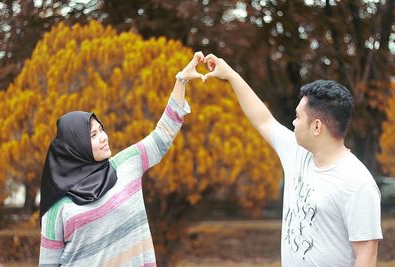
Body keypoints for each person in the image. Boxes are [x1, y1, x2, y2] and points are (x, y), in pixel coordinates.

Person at [202, 54, 383, 266]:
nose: (293, 122)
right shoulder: (297, 153)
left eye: (298, 117)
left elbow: (366, 256)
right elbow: (263, 120)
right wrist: (230, 75)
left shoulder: (357, 183)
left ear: (317, 126)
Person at [38, 52, 205, 266]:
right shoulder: (57, 208)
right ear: (74, 147)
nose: (103, 137)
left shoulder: (126, 165)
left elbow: (163, 134)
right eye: (93, 135)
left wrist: (181, 80)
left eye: (101, 130)